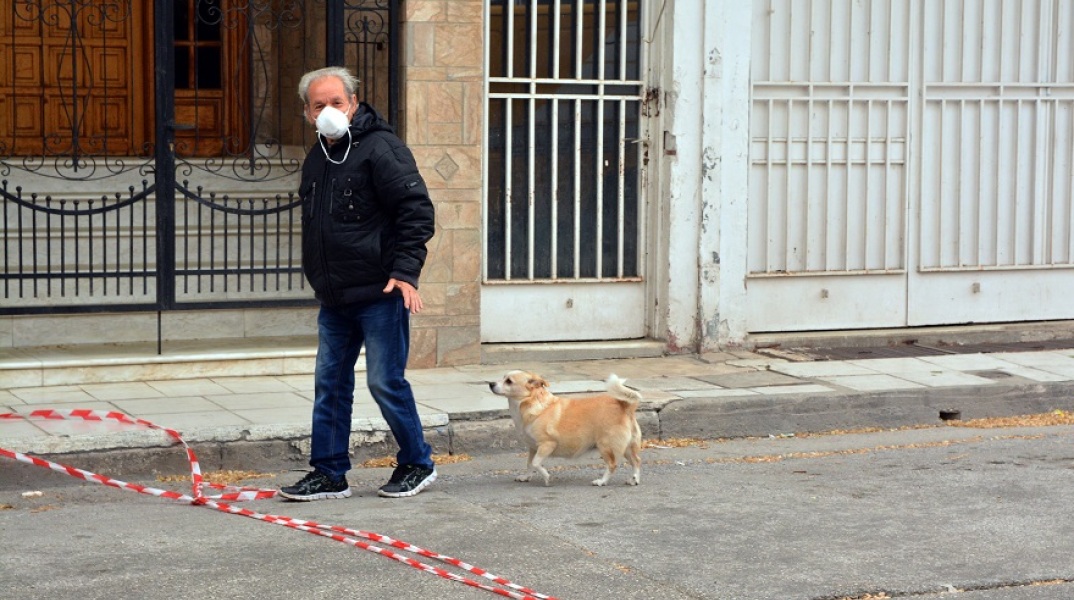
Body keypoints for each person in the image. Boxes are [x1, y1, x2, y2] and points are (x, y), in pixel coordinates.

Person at [279, 66, 437, 501]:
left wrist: (405, 272)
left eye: (336, 102)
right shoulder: (317, 157)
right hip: (334, 298)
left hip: (380, 293)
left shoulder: (381, 148)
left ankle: (417, 462)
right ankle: (329, 472)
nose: (328, 111)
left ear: (353, 103)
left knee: (385, 382)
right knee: (329, 384)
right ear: (307, 113)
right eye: (318, 105)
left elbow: (415, 210)